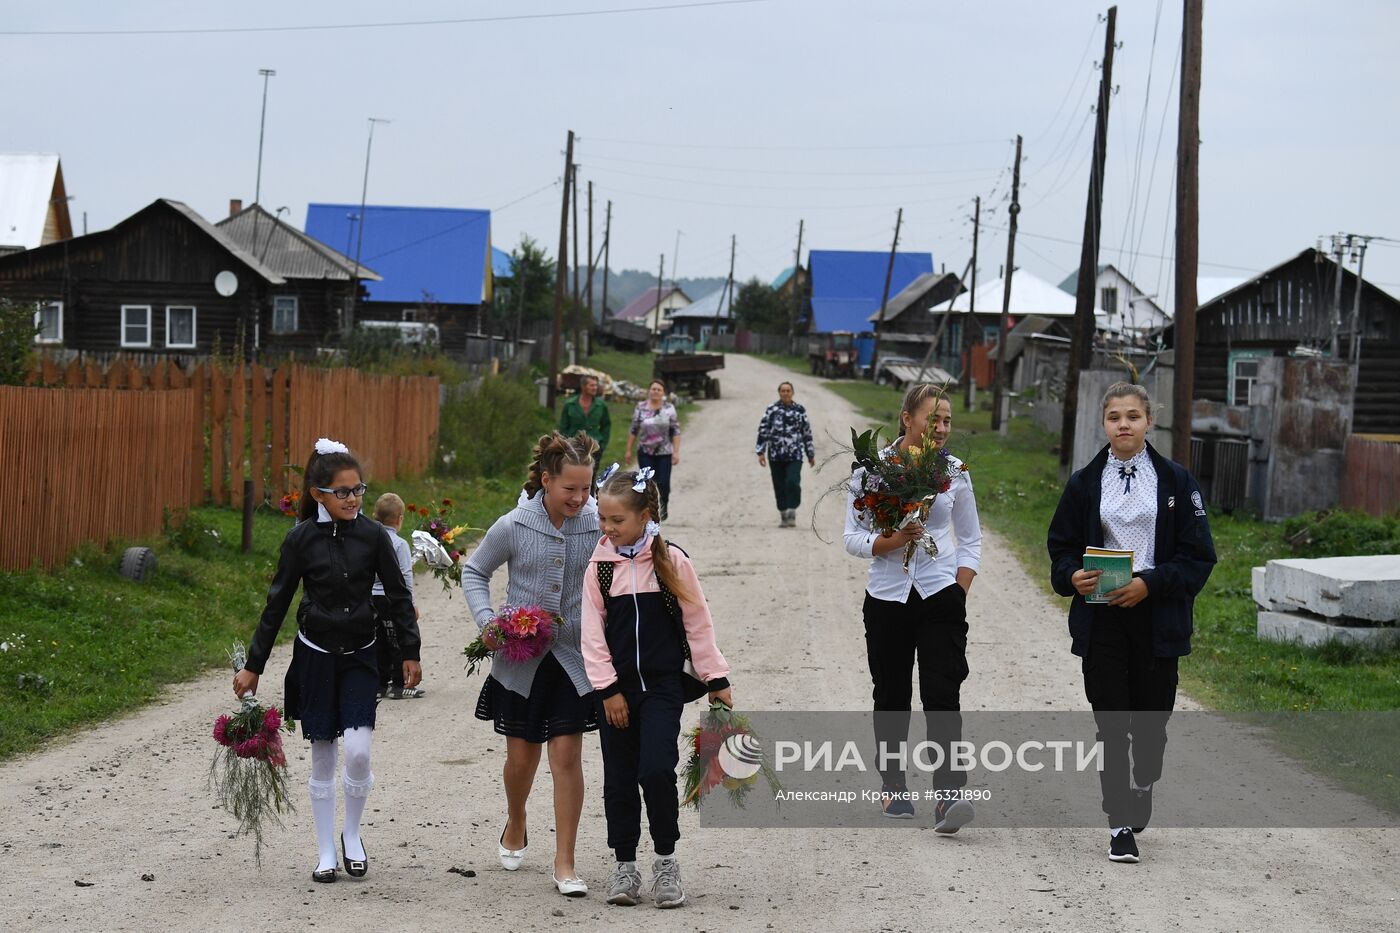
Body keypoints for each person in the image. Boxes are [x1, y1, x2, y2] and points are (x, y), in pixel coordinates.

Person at [234, 438, 421, 883]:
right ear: (319, 494)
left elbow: (398, 595)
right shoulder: (300, 540)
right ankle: (325, 853)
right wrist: (254, 665)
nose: (354, 499)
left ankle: (352, 835)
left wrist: (411, 652)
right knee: (322, 755)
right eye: (343, 492)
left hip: (361, 654)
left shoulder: (374, 536)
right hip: (315, 656)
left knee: (357, 753)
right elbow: (276, 603)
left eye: (359, 490)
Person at [1047, 382, 1216, 864]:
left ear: (1149, 422)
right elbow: (1060, 547)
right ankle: (1119, 824)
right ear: (1104, 424)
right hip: (1101, 621)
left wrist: (1151, 584)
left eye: (1133, 416)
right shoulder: (1084, 483)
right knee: (1111, 724)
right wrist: (1071, 576)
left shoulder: (1177, 482)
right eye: (1115, 416)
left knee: (1150, 727)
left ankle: (1144, 781)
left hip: (1158, 619)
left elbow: (1199, 556)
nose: (1124, 424)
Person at [581, 465, 731, 909]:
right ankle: (624, 866)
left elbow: (698, 623)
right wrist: (607, 690)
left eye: (616, 521)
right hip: (616, 694)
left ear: (645, 515)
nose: (607, 529)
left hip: (663, 689)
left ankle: (666, 861)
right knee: (619, 780)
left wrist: (716, 678)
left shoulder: (672, 562)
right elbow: (591, 634)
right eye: (603, 520)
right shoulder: (600, 568)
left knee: (656, 770)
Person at [462, 431, 601, 897]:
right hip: (520, 660)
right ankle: (516, 818)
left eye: (587, 488)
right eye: (570, 490)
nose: (580, 499)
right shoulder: (514, 526)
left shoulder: (597, 521)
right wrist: (487, 621)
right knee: (521, 760)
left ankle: (565, 862)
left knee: (567, 754)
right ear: (546, 480)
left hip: (574, 657)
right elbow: (474, 571)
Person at [843, 384, 981, 831]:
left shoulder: (955, 472)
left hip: (940, 596)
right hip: (886, 599)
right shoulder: (872, 471)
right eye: (932, 419)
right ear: (907, 418)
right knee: (892, 695)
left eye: (947, 421)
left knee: (943, 693)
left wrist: (958, 590)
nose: (941, 429)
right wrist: (893, 541)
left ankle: (948, 796)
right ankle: (894, 786)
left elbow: (971, 541)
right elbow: (853, 537)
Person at [371, 493, 423, 700]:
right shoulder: (400, 544)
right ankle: (399, 685)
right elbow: (404, 577)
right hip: (393, 599)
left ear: (375, 516)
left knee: (378, 640)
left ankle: (379, 684)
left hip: (372, 600)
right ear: (400, 518)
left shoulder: (369, 540)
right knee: (397, 640)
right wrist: (410, 604)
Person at [755, 381, 816, 527]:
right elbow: (763, 430)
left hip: (795, 454)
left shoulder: (800, 410)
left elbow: (806, 433)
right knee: (779, 484)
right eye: (783, 390)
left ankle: (792, 509)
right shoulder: (772, 410)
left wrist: (810, 454)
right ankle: (783, 512)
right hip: (775, 455)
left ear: (792, 393)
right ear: (779, 393)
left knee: (792, 481)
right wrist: (760, 452)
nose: (785, 393)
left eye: (788, 390)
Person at [625, 380, 681, 521]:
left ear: (663, 393)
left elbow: (675, 431)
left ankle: (664, 505)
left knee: (663, 482)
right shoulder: (641, 407)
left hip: (664, 452)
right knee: (647, 482)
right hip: (645, 451)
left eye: (659, 389)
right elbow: (634, 429)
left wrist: (676, 452)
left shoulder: (669, 408)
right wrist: (628, 450)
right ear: (649, 391)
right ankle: (649, 511)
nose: (655, 391)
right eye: (653, 389)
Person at [559, 374, 612, 473]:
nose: (595, 388)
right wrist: (564, 444)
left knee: (590, 476)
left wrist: (602, 444)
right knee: (572, 475)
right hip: (573, 447)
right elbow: (563, 427)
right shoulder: (570, 404)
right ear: (583, 386)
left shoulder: (601, 405)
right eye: (591, 385)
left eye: (596, 385)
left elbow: (606, 425)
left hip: (594, 447)